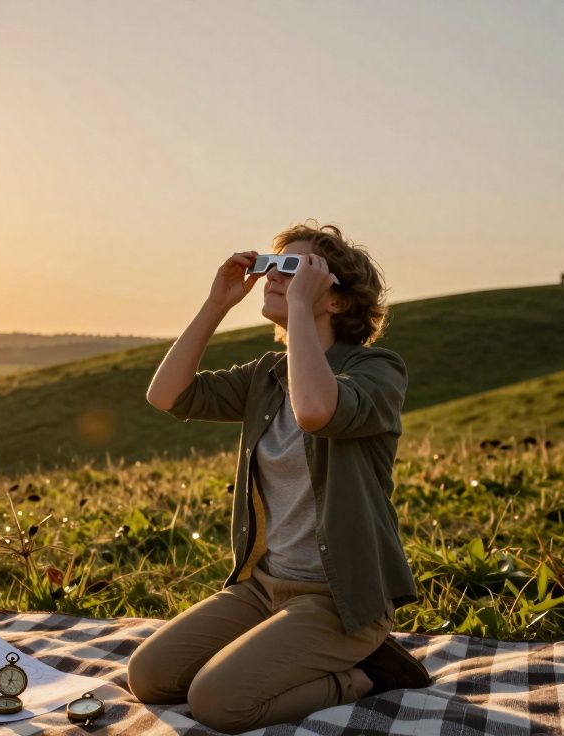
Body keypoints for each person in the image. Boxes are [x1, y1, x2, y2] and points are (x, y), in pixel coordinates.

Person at [128, 221, 421, 733]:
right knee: (149, 676)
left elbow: (316, 411)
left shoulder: (378, 370)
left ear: (337, 299)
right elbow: (166, 395)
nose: (274, 277)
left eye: (294, 268)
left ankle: (359, 677)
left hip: (341, 601)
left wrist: (301, 311)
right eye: (272, 265)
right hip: (263, 588)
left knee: (217, 702)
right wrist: (217, 303)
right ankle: (287, 652)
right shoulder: (267, 375)